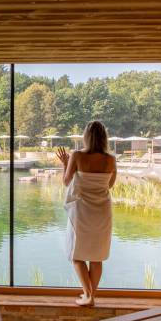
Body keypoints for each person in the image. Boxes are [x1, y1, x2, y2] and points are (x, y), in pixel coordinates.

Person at [56, 121, 116, 306]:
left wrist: (66, 164)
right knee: (96, 257)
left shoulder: (77, 155)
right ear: (104, 137)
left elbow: (67, 181)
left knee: (77, 255)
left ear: (86, 136)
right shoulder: (110, 159)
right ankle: (90, 296)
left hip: (82, 211)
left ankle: (88, 296)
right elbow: (110, 185)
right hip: (102, 211)